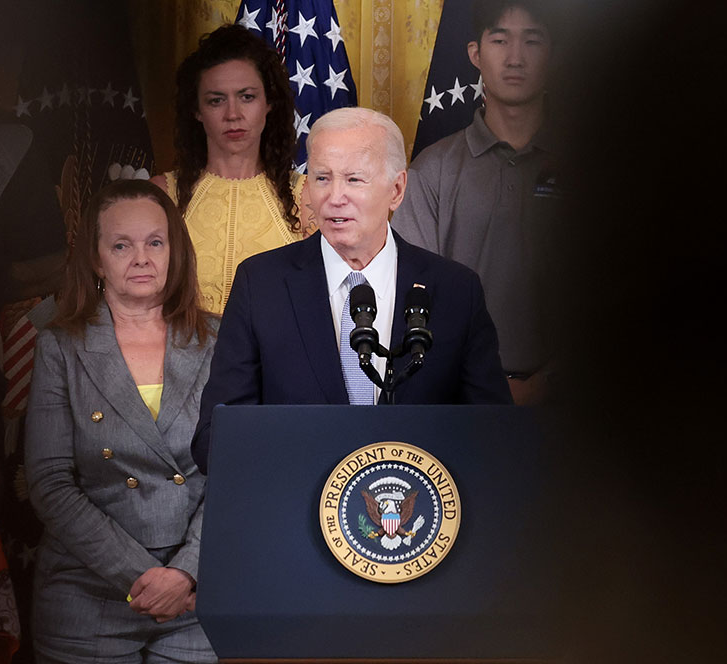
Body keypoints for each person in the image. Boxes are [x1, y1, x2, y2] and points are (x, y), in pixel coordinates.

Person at [192, 107, 512, 473]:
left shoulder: (456, 291)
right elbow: (213, 440)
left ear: (397, 190)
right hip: (295, 517)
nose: (334, 197)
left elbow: (496, 437)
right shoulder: (261, 284)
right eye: (322, 178)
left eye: (354, 180)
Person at [26, 179, 217, 664]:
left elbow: (240, 473)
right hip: (87, 588)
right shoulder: (59, 347)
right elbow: (49, 483)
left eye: (155, 242)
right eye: (121, 245)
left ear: (175, 250)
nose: (141, 258)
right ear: (95, 258)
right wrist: (140, 577)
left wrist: (185, 574)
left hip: (197, 591)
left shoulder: (221, 339)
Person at [394, 0, 562, 404]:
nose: (516, 58)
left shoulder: (594, 168)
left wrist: (549, 383)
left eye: (533, 40)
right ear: (475, 54)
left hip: (574, 410)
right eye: (500, 40)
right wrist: (485, 386)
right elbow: (413, 301)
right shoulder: (432, 172)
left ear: (555, 54)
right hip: (460, 405)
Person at [162, 25, 310, 315]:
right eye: (216, 100)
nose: (233, 115)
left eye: (247, 97)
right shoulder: (163, 196)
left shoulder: (308, 199)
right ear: (196, 110)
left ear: (269, 103)